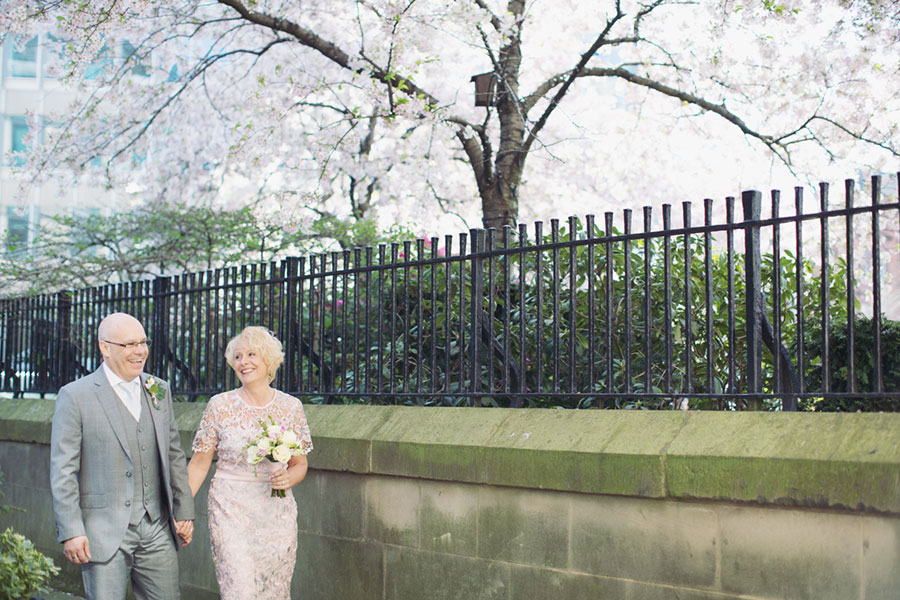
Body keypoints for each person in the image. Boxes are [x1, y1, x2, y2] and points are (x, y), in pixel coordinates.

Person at [49, 312, 195, 600]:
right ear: (105, 347)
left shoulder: (159, 389)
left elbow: (174, 454)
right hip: (101, 532)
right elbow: (63, 470)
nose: (140, 351)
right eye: (128, 344)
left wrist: (184, 511)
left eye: (142, 342)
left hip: (157, 527)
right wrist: (71, 530)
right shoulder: (75, 395)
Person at [187, 325, 313, 599]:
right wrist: (182, 509)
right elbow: (199, 463)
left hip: (275, 513)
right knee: (238, 588)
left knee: (274, 590)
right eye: (238, 356)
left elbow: (299, 464)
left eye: (252, 354)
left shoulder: (291, 407)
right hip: (230, 509)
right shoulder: (219, 406)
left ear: (268, 359)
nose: (244, 362)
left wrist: (289, 478)